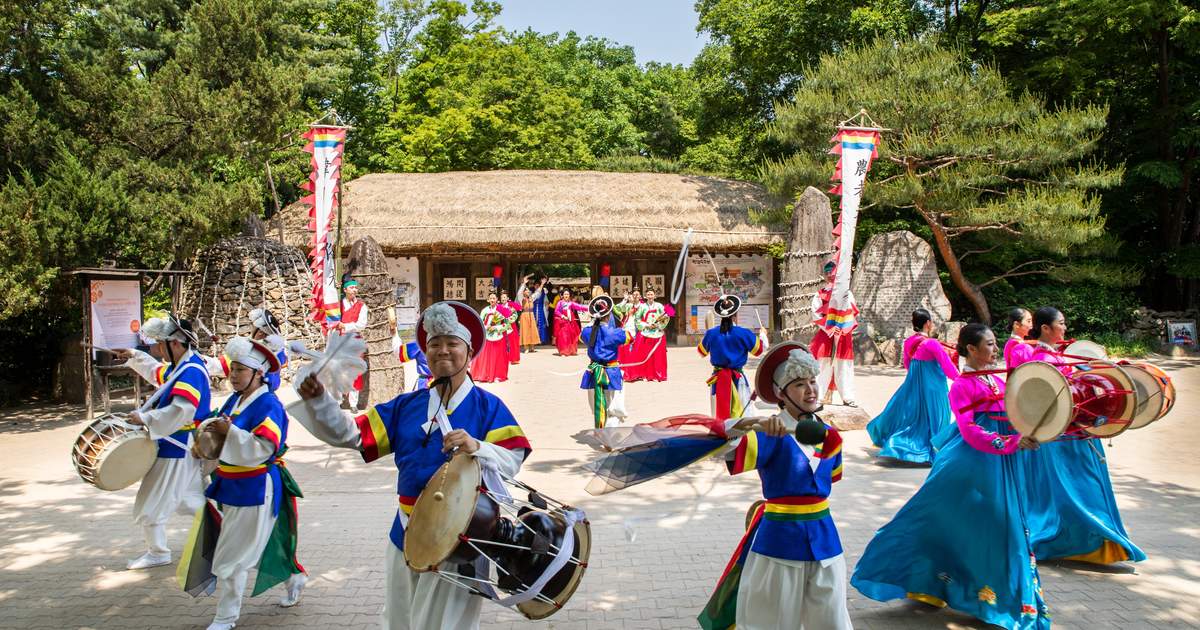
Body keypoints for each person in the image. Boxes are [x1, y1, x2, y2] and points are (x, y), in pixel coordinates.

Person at [290, 301, 531, 629]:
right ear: (425, 353)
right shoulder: (406, 406)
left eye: (452, 344)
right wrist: (319, 401)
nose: (442, 351)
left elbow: (513, 460)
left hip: (463, 537)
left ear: (470, 350)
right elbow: (354, 435)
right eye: (434, 345)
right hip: (405, 532)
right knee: (400, 620)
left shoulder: (489, 407)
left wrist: (478, 447)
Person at [851, 324, 1050, 629]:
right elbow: (970, 430)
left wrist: (1030, 432)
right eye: (989, 344)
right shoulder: (962, 386)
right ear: (970, 348)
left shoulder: (996, 379)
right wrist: (1010, 442)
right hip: (971, 464)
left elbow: (1014, 414)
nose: (995, 349)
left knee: (993, 526)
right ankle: (949, 585)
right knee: (964, 522)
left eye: (996, 343)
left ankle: (993, 598)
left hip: (1002, 464)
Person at [698, 341, 850, 630]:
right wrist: (747, 425)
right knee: (771, 622)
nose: (811, 390)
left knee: (833, 622)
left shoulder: (829, 434)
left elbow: (830, 478)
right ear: (781, 393)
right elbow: (716, 447)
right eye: (799, 384)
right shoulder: (767, 433)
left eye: (812, 381)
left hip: (825, 541)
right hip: (779, 544)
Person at [190, 337, 306, 630]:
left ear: (259, 373)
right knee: (262, 543)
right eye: (232, 369)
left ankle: (225, 617)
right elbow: (217, 436)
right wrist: (203, 446)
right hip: (232, 485)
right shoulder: (235, 399)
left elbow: (263, 448)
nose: (233, 375)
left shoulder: (270, 404)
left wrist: (230, 433)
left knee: (232, 555)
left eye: (240, 370)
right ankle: (295, 577)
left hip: (254, 486)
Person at [1019, 306, 1145, 565]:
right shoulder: (1042, 359)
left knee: (1083, 485)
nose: (1064, 328)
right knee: (1076, 488)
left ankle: (1096, 542)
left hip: (1077, 429)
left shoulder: (1057, 356)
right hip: (1063, 434)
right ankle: (1081, 542)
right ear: (1045, 328)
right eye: (1061, 323)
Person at [114, 316, 211, 570]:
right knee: (188, 500)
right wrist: (132, 355)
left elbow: (182, 411)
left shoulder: (190, 371)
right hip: (183, 446)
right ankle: (223, 530)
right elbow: (158, 373)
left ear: (176, 344)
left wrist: (145, 418)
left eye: (159, 343)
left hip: (176, 446)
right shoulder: (183, 366)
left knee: (151, 501)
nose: (155, 349)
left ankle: (158, 552)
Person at [865, 308, 960, 465]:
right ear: (928, 323)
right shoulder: (932, 343)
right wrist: (960, 378)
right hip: (933, 387)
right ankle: (934, 447)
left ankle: (899, 444)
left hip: (913, 386)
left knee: (913, 417)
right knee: (936, 415)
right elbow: (947, 365)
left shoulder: (909, 342)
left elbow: (908, 365)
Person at [697, 295, 767, 420]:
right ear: (736, 314)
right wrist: (762, 335)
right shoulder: (743, 333)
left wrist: (707, 336)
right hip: (737, 379)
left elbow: (701, 352)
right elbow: (759, 350)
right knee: (741, 414)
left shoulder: (711, 333)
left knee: (719, 413)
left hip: (718, 380)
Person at [579, 295, 634, 428]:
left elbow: (581, 337)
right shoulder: (614, 333)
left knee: (598, 405)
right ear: (608, 315)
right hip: (611, 373)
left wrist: (594, 322)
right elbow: (631, 337)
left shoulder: (587, 332)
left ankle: (602, 430)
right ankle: (609, 434)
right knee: (615, 407)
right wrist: (630, 317)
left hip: (593, 373)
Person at [204, 308, 288, 392]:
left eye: (253, 326)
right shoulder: (276, 350)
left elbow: (220, 366)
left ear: (260, 332)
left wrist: (198, 359)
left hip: (254, 397)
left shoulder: (254, 353)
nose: (251, 329)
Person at [810, 261, 858, 407]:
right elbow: (816, 315)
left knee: (844, 366)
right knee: (823, 365)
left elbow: (851, 312)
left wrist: (843, 327)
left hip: (843, 334)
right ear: (825, 275)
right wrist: (830, 328)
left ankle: (848, 397)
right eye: (828, 273)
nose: (830, 275)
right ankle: (817, 397)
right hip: (826, 335)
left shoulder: (847, 294)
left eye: (833, 273)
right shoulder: (819, 295)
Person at [339, 279, 370, 410]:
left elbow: (361, 325)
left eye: (355, 288)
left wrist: (344, 326)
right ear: (345, 290)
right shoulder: (338, 305)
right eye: (351, 287)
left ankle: (353, 404)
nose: (354, 290)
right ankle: (339, 400)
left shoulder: (362, 306)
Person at [626, 289, 669, 382]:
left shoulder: (659, 306)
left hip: (657, 333)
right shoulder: (642, 307)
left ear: (654, 296)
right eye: (648, 294)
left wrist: (658, 325)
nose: (650, 296)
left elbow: (665, 317)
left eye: (651, 294)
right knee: (645, 355)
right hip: (646, 333)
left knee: (658, 356)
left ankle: (658, 374)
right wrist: (646, 325)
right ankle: (646, 374)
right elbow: (637, 319)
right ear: (645, 296)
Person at [471, 292, 510, 383]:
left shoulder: (502, 309)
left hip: (498, 336)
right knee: (486, 357)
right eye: (491, 298)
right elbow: (480, 323)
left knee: (498, 357)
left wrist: (496, 328)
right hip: (487, 336)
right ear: (488, 300)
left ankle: (497, 375)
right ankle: (485, 375)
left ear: (497, 300)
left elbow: (507, 324)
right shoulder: (484, 310)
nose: (492, 300)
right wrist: (486, 327)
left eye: (494, 298)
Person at [553, 288, 587, 356]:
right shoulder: (560, 303)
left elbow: (579, 307)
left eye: (567, 294)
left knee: (571, 337)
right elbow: (556, 311)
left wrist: (588, 308)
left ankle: (570, 351)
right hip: (562, 322)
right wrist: (563, 316)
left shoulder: (571, 303)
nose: (566, 295)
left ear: (569, 295)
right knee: (563, 337)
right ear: (562, 295)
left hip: (570, 322)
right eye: (565, 294)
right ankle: (563, 352)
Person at [497, 289, 522, 365]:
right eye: (502, 298)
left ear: (507, 298)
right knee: (503, 342)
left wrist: (509, 319)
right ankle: (504, 358)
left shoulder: (511, 306)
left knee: (513, 342)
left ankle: (514, 358)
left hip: (511, 325)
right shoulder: (499, 306)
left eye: (504, 297)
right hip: (502, 326)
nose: (503, 299)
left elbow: (515, 315)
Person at [518, 288, 541, 353]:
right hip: (524, 315)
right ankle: (526, 348)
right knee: (525, 331)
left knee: (532, 330)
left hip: (531, 315)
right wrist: (523, 284)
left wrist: (542, 284)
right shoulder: (521, 298)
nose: (528, 291)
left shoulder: (531, 298)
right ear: (524, 292)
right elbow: (519, 292)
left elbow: (537, 293)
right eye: (526, 290)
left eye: (528, 290)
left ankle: (532, 347)